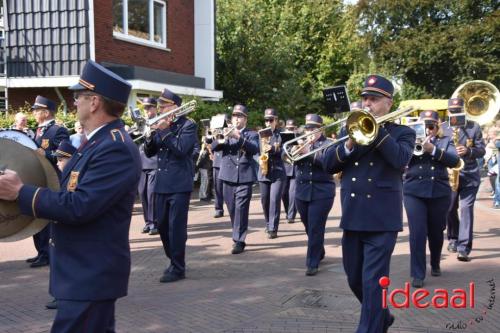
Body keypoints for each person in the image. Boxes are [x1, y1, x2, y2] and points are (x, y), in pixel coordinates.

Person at [0, 59, 141, 332]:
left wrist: (20, 192)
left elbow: (80, 206)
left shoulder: (114, 148)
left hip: (90, 274)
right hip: (81, 273)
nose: (74, 102)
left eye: (78, 96)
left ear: (95, 102)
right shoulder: (97, 142)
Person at [322, 74, 415, 332]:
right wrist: (351, 140)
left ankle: (370, 327)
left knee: (373, 281)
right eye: (364, 99)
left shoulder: (403, 133)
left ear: (389, 103)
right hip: (353, 215)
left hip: (382, 219)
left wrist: (377, 130)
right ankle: (382, 315)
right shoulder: (349, 128)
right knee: (354, 279)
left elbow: (400, 160)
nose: (367, 104)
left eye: (373, 99)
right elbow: (329, 164)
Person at [144, 88, 197, 283]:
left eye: (164, 106)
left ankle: (178, 267)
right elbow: (150, 153)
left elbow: (182, 150)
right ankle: (173, 260)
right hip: (161, 184)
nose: (160, 109)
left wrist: (165, 130)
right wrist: (150, 135)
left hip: (179, 184)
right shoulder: (160, 125)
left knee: (176, 228)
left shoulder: (188, 125)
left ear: (174, 107)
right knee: (162, 225)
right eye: (160, 106)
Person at [403, 111, 460, 288]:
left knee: (436, 232)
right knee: (417, 233)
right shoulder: (411, 140)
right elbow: (400, 160)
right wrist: (416, 144)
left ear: (438, 126)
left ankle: (435, 262)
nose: (428, 129)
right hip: (413, 192)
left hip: (439, 192)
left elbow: (454, 161)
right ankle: (417, 273)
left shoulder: (445, 140)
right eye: (424, 125)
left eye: (431, 125)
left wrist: (433, 150)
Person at [27, 95, 70, 268]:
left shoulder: (58, 130)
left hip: (51, 178)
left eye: (37, 110)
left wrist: (48, 155)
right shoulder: (39, 130)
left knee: (45, 218)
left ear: (45, 112)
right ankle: (40, 251)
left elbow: (65, 154)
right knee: (35, 216)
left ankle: (47, 253)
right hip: (38, 177)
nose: (34, 114)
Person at [211, 104, 259, 254]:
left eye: (240, 116)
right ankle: (237, 231)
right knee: (232, 209)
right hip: (227, 176)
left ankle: (239, 240)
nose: (237, 119)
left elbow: (254, 149)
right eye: (234, 116)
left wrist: (238, 137)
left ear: (245, 119)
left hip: (245, 177)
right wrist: (220, 137)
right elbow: (214, 147)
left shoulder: (251, 134)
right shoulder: (225, 133)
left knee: (241, 209)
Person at [443, 98, 486, 261]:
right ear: (448, 111)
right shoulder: (443, 128)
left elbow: (481, 150)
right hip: (449, 175)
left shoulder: (473, 126)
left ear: (463, 109)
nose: (455, 113)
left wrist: (468, 150)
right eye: (452, 111)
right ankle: (453, 238)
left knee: (466, 209)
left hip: (469, 174)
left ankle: (464, 247)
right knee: (449, 208)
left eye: (458, 110)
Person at [294, 114, 335, 276]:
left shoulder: (329, 144)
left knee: (315, 226)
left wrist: (308, 153)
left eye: (313, 128)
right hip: (302, 191)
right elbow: (289, 160)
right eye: (308, 128)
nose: (309, 131)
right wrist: (294, 152)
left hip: (322, 191)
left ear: (321, 129)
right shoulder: (301, 143)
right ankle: (319, 249)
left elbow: (328, 163)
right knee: (308, 225)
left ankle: (312, 263)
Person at [45, 139, 78, 310]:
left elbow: (68, 200)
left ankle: (63, 296)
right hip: (59, 226)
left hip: (66, 228)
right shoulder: (66, 174)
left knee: (64, 263)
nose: (58, 163)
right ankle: (59, 295)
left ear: (70, 159)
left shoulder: (73, 176)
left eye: (61, 160)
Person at [258, 108, 286, 239]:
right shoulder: (260, 134)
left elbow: (286, 153)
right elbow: (254, 151)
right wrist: (259, 160)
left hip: (278, 171)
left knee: (274, 199)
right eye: (266, 120)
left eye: (270, 120)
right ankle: (268, 223)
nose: (268, 123)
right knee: (264, 200)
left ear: (276, 120)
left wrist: (274, 149)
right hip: (263, 171)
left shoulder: (282, 134)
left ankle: (273, 228)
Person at [138, 97, 159, 235]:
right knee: (142, 193)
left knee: (152, 194)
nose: (147, 111)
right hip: (141, 163)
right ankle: (147, 221)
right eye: (145, 108)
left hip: (154, 162)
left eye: (149, 108)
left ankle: (154, 222)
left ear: (155, 108)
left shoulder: (159, 122)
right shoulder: (141, 122)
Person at [281, 119, 298, 224]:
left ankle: (291, 215)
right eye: (288, 129)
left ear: (296, 128)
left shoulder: (301, 137)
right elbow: (280, 153)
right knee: (283, 193)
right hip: (284, 168)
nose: (290, 130)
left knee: (293, 193)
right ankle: (288, 212)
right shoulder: (282, 138)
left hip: (296, 169)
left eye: (292, 129)